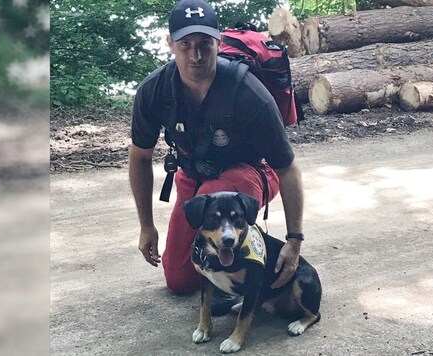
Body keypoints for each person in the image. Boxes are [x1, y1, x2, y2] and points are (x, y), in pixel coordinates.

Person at [129, 0, 305, 314]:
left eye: (205, 44)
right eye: (185, 45)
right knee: (180, 279)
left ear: (219, 42)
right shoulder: (154, 91)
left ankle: (242, 277)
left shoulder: (248, 92)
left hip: (249, 174)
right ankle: (239, 253)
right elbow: (140, 157)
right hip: (192, 176)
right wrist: (146, 226)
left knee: (219, 197)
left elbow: (287, 168)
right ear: (170, 44)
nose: (195, 55)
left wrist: (294, 241)